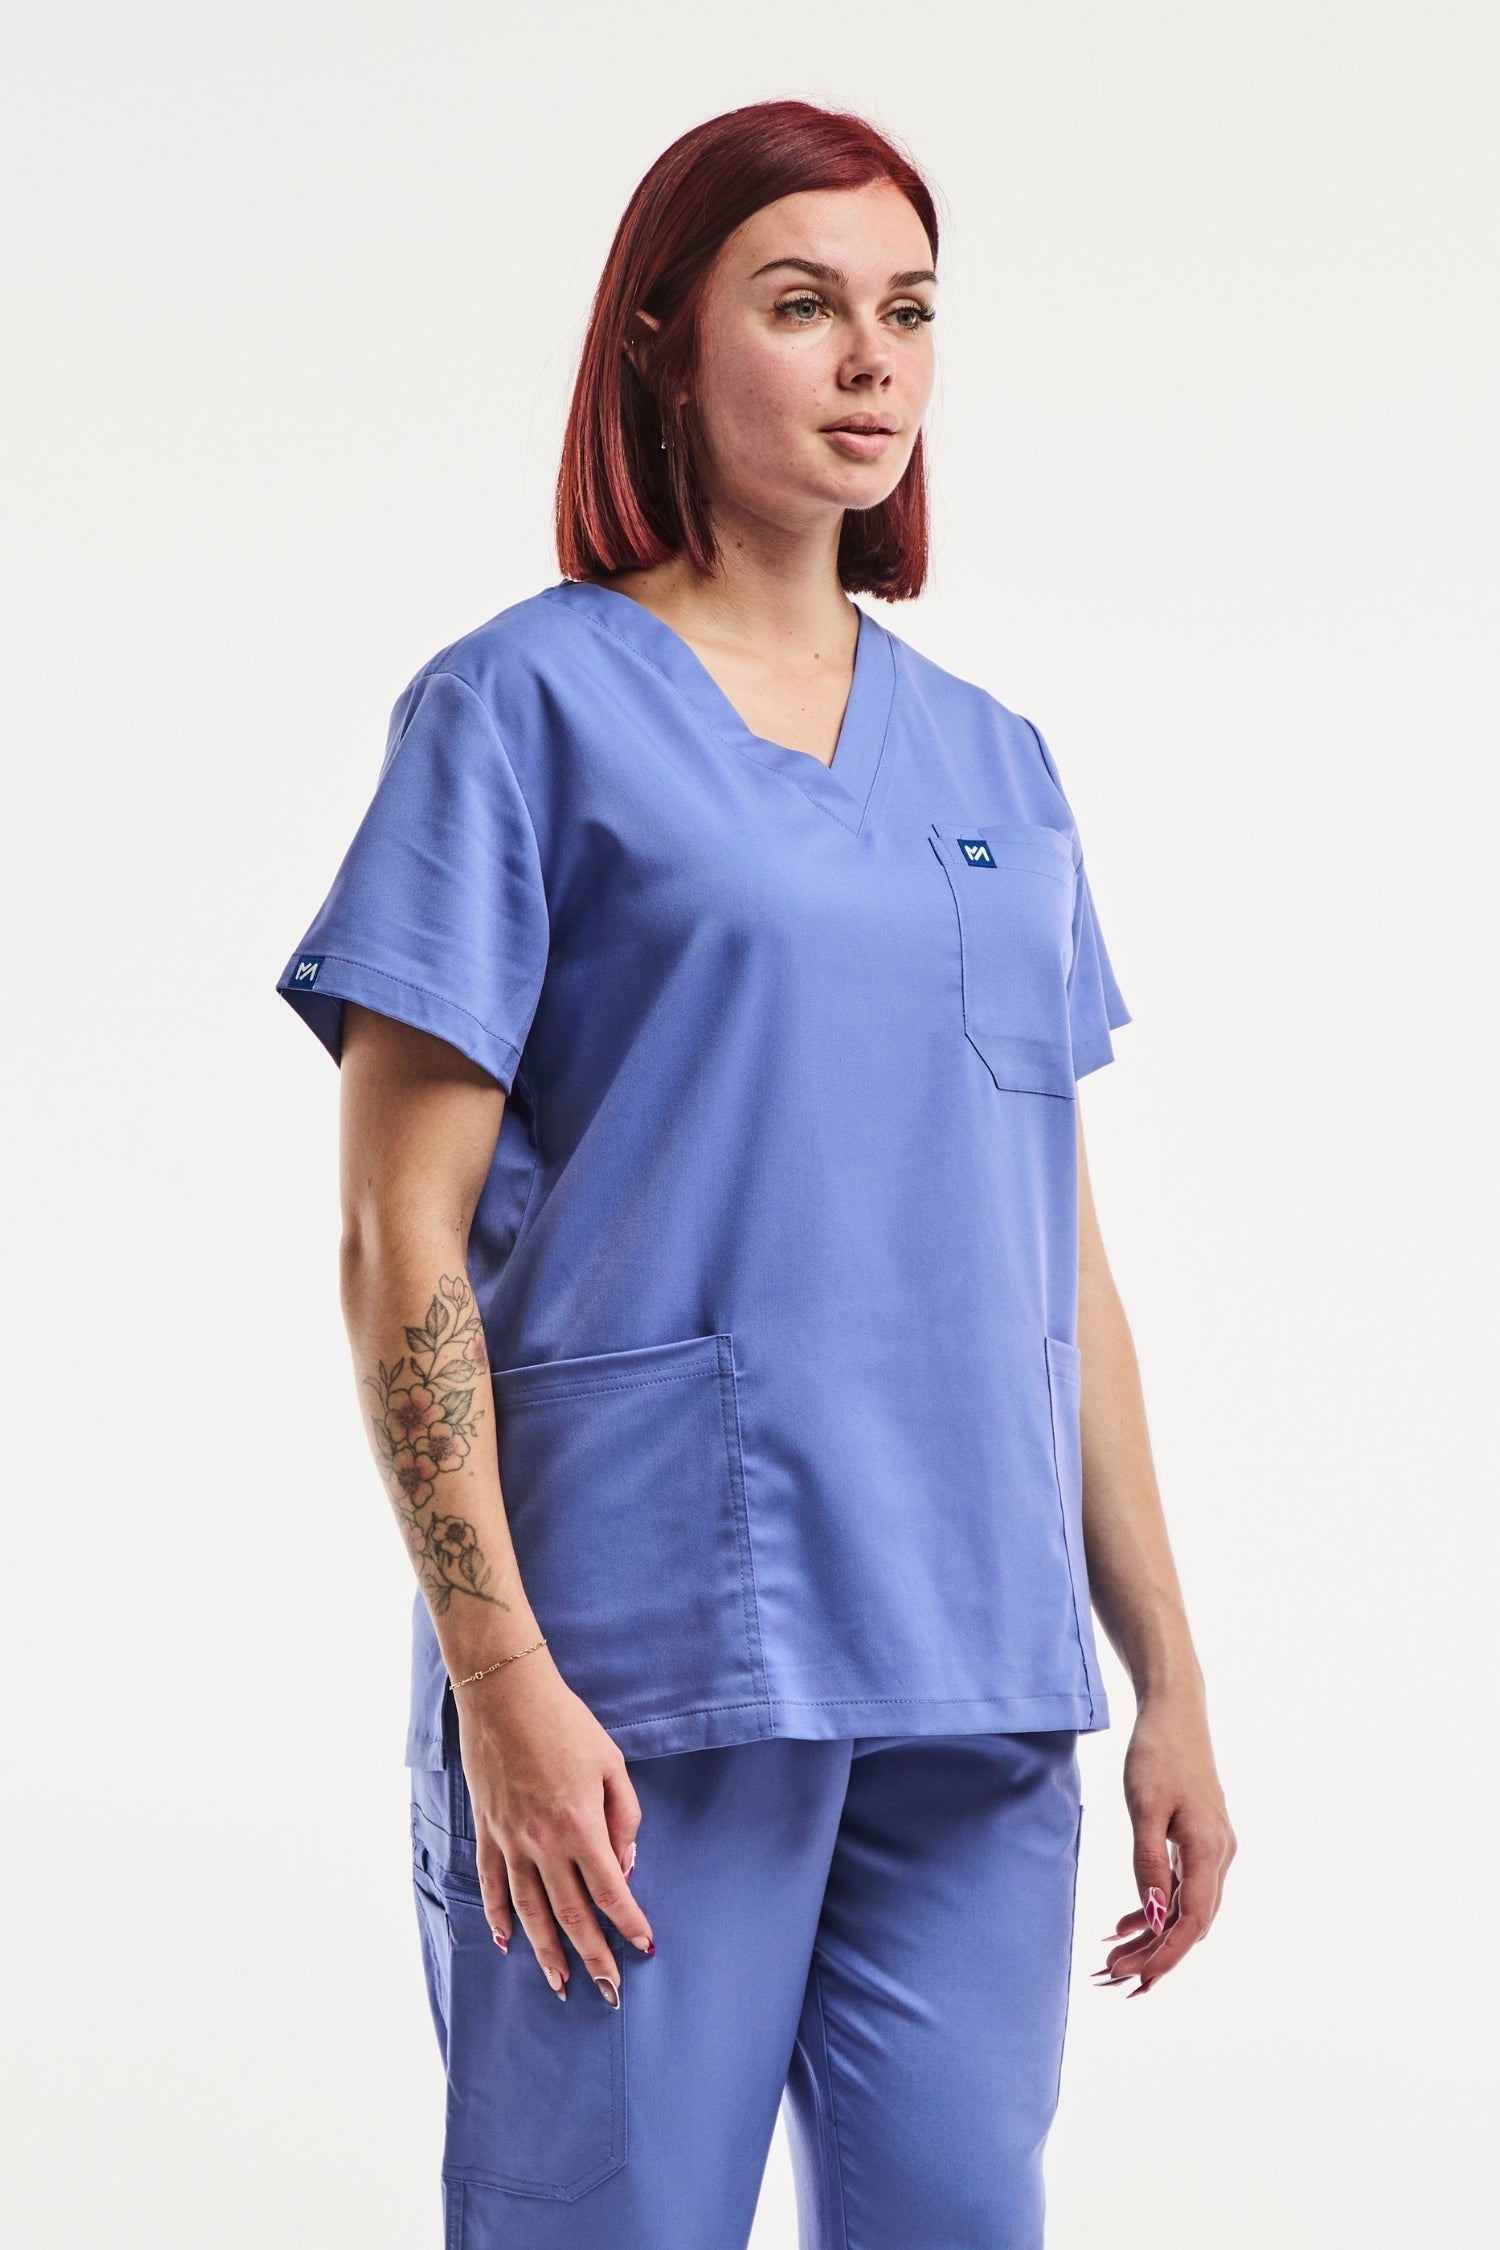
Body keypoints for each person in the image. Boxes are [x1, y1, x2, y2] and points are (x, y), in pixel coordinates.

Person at [275, 96, 1235, 2250]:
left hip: (976, 1669)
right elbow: (394, 1233)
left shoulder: (997, 764)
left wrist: (1165, 1672)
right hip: (643, 1667)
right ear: (663, 342)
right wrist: (500, 1679)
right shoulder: (518, 712)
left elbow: (1059, 1258)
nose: (873, 359)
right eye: (803, 305)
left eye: (910, 309)